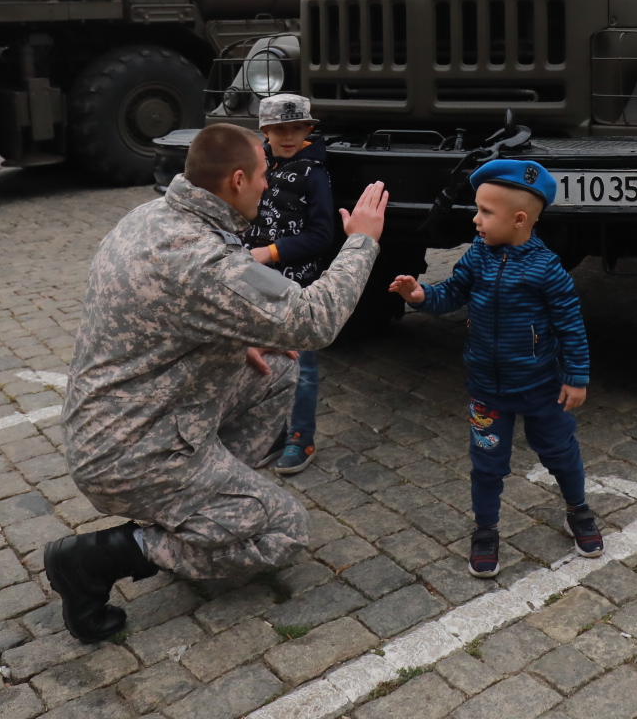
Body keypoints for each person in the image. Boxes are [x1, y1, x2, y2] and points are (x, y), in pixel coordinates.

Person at [46, 122, 388, 643]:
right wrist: (361, 239)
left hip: (132, 422)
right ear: (234, 180)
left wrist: (234, 337)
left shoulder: (155, 216)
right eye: (262, 175)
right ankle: (102, 558)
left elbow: (178, 311)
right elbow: (315, 320)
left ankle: (205, 501)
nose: (267, 185)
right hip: (132, 453)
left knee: (277, 371)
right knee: (283, 531)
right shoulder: (203, 260)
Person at [389, 159, 601, 578]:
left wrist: (576, 377)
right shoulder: (476, 259)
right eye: (477, 209)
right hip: (487, 389)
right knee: (486, 464)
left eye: (486, 212)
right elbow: (450, 294)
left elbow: (570, 325)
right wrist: (419, 295)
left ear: (519, 220)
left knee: (560, 452)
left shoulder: (547, 270)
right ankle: (485, 529)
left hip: (542, 387)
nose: (476, 219)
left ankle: (577, 509)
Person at [246, 94, 338, 475]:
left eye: (295, 128)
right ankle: (273, 433)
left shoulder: (314, 173)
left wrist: (271, 252)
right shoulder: (256, 167)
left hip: (295, 285)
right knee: (261, 360)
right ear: (264, 131)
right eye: (278, 129)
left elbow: (322, 235)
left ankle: (301, 436)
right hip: (254, 283)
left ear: (307, 130)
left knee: (301, 364)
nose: (287, 136)